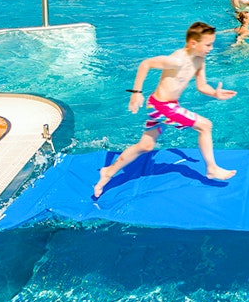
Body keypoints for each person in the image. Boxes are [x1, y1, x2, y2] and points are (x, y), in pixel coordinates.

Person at [92, 21, 237, 197]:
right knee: (205, 125)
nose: (211, 48)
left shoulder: (199, 59)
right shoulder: (177, 60)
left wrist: (215, 93)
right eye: (208, 44)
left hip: (163, 105)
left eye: (212, 44)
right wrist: (136, 93)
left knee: (145, 146)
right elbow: (146, 64)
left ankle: (108, 172)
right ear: (193, 43)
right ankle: (212, 168)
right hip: (162, 106)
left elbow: (202, 85)